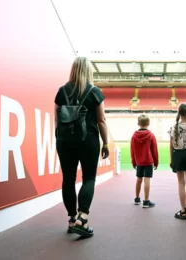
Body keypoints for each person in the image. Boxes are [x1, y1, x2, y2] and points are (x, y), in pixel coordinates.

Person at [54, 57, 109, 238]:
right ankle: (82, 218)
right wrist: (106, 142)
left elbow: (57, 118)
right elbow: (101, 120)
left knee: (68, 179)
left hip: (65, 141)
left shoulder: (62, 91)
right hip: (89, 140)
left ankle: (71, 219)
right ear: (88, 71)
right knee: (89, 178)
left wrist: (60, 137)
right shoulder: (94, 91)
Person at [131, 114, 159, 208]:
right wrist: (156, 162)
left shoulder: (134, 136)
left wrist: (133, 161)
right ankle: (146, 201)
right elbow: (154, 150)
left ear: (138, 123)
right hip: (148, 161)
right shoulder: (151, 135)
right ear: (148, 123)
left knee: (139, 179)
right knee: (147, 179)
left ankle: (137, 199)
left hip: (139, 161)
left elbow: (132, 150)